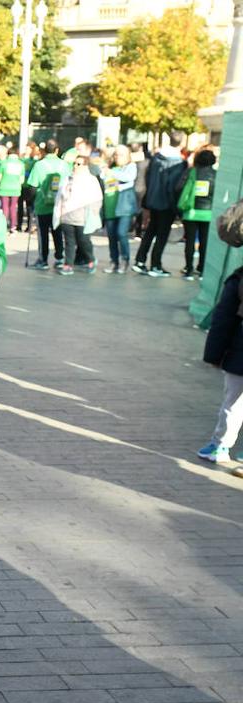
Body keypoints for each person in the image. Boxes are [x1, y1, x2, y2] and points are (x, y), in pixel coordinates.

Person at [197, 266, 242, 466]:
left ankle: (220, 446)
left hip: (240, 355)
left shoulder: (239, 279)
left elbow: (223, 318)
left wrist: (214, 355)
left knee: (233, 403)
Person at [133, 130, 187, 278]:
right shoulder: (179, 163)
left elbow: (148, 179)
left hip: (153, 199)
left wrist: (147, 199)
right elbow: (174, 187)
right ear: (181, 142)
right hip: (167, 203)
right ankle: (155, 265)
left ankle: (140, 260)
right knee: (161, 235)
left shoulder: (156, 158)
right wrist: (176, 207)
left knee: (150, 231)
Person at [52, 154, 102, 275]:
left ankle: (90, 259)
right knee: (69, 242)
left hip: (82, 217)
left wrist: (94, 213)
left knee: (83, 241)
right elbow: (59, 197)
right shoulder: (67, 178)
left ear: (85, 166)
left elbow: (97, 198)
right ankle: (68, 264)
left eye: (79, 164)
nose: (75, 166)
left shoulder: (91, 179)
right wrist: (58, 213)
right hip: (66, 216)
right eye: (74, 163)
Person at [25, 139, 70, 270]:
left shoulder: (39, 165)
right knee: (57, 232)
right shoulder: (64, 165)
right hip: (59, 205)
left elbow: (32, 186)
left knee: (43, 234)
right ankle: (59, 258)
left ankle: (43, 259)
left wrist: (31, 202)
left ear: (45, 151)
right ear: (57, 150)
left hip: (42, 204)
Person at [178, 148, 216, 280]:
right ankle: (202, 269)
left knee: (190, 241)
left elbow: (179, 187)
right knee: (204, 242)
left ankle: (189, 268)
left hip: (191, 211)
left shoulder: (191, 172)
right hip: (208, 213)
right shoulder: (215, 175)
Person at [102, 145, 138, 274]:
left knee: (121, 233)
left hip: (124, 206)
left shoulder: (131, 167)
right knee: (111, 236)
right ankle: (114, 261)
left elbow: (128, 178)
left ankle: (125, 259)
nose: (117, 157)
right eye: (116, 154)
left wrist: (111, 173)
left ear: (128, 156)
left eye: (121, 154)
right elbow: (103, 180)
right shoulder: (111, 168)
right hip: (110, 205)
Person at [0, 144, 24, 231]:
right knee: (13, 207)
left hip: (4, 188)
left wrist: (0, 184)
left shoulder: (4, 163)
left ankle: (4, 225)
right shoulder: (21, 164)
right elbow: (22, 180)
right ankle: (13, 226)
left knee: (5, 207)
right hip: (15, 189)